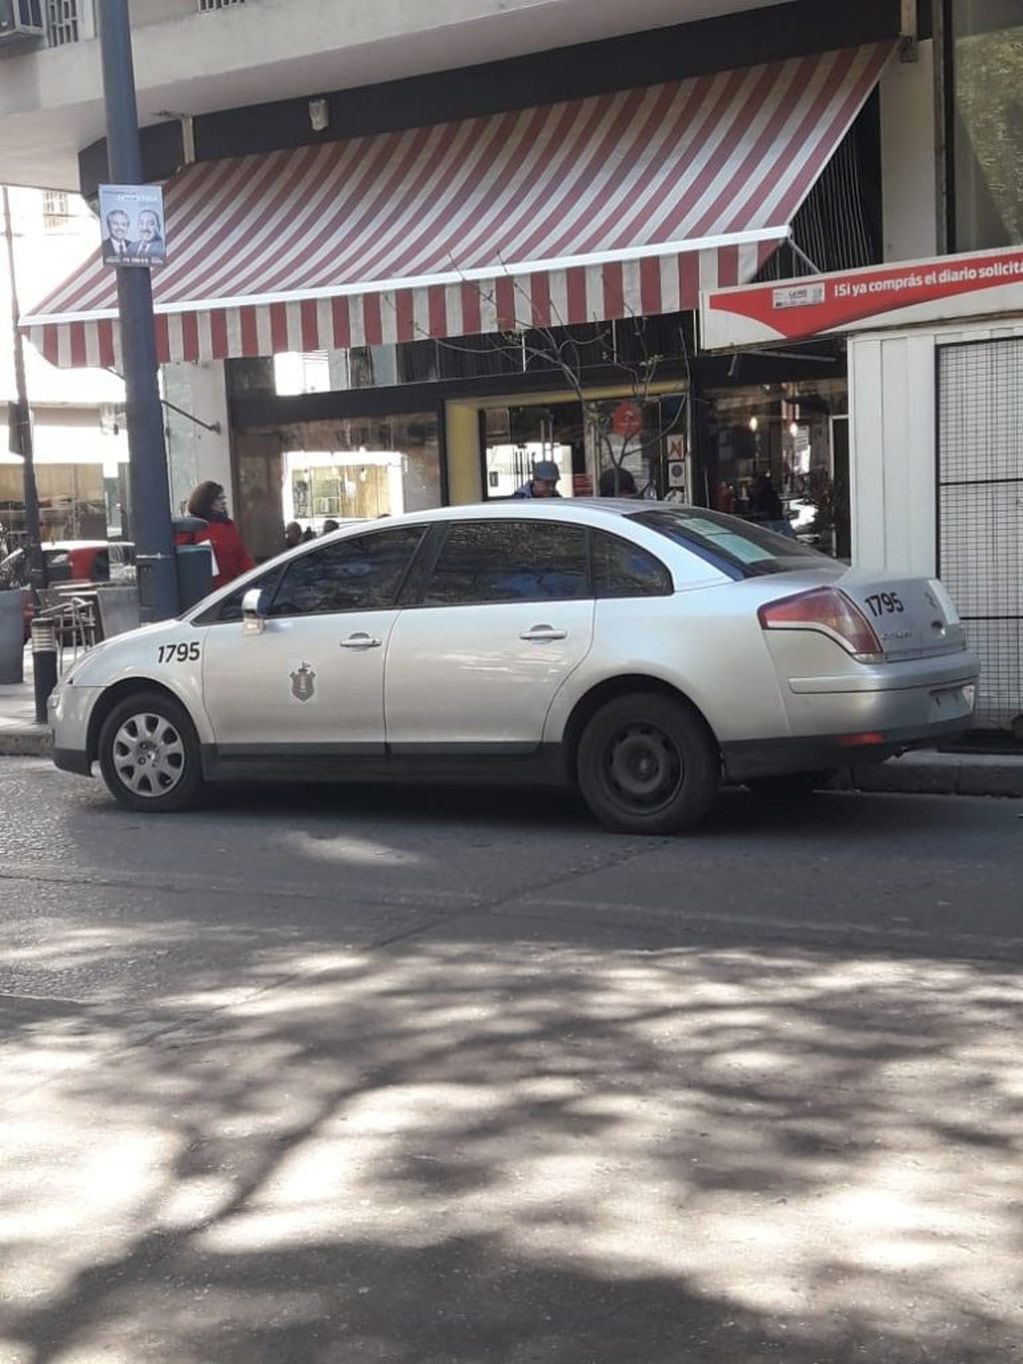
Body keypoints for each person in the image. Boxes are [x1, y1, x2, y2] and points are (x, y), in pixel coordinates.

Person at [182, 480, 253, 589]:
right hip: (205, 590)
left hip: (231, 588)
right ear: (207, 502)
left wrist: (251, 577)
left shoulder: (228, 525)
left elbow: (242, 556)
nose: (224, 502)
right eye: (219, 499)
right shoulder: (193, 526)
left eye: (224, 498)